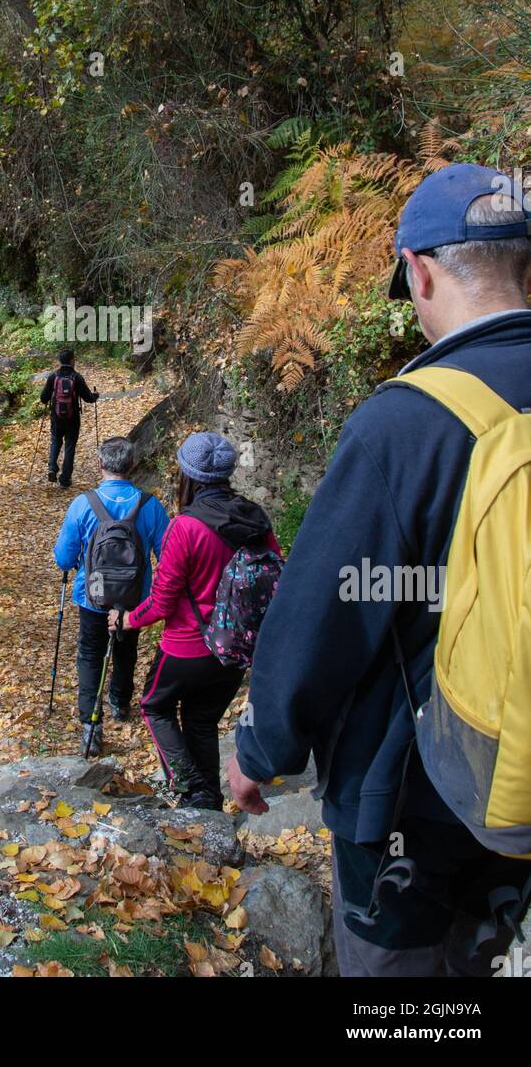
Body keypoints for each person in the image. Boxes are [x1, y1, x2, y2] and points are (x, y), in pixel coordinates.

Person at [227, 162, 531, 976]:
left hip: (417, 799)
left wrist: (261, 750)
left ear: (420, 270)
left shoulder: (407, 425)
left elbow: (321, 618)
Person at [110, 431, 281, 811]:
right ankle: (208, 804)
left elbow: (162, 601)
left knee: (155, 706)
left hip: (187, 647)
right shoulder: (256, 520)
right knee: (201, 721)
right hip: (235, 652)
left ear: (187, 475)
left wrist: (126, 620)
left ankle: (189, 788)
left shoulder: (185, 528)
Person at [53, 436, 168, 756]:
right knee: (125, 649)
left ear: (101, 465)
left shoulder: (82, 504)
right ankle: (120, 701)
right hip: (134, 598)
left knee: (90, 654)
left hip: (93, 595)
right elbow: (167, 555)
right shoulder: (150, 506)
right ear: (131, 466)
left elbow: (63, 559)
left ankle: (92, 725)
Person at [39, 349, 99, 489]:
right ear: (72, 360)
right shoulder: (76, 377)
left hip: (56, 417)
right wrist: (95, 395)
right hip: (73, 418)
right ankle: (65, 479)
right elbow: (88, 398)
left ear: (59, 361)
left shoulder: (53, 377)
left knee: (55, 441)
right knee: (69, 446)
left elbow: (43, 399)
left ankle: (52, 468)